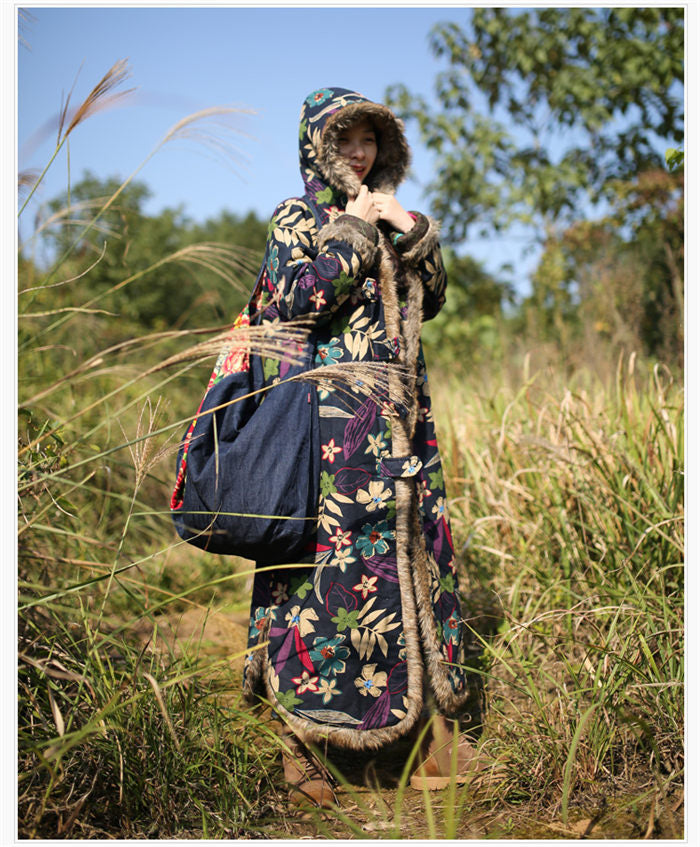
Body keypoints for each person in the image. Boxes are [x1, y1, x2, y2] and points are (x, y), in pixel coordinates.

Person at [241, 87, 479, 807]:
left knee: (415, 561)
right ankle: (300, 742)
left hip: (403, 429)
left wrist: (407, 226)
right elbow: (296, 301)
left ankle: (436, 727)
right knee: (321, 573)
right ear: (318, 146)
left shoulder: (389, 215)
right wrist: (351, 229)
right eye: (344, 138)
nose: (358, 152)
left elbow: (434, 296)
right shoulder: (297, 217)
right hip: (326, 434)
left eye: (369, 139)